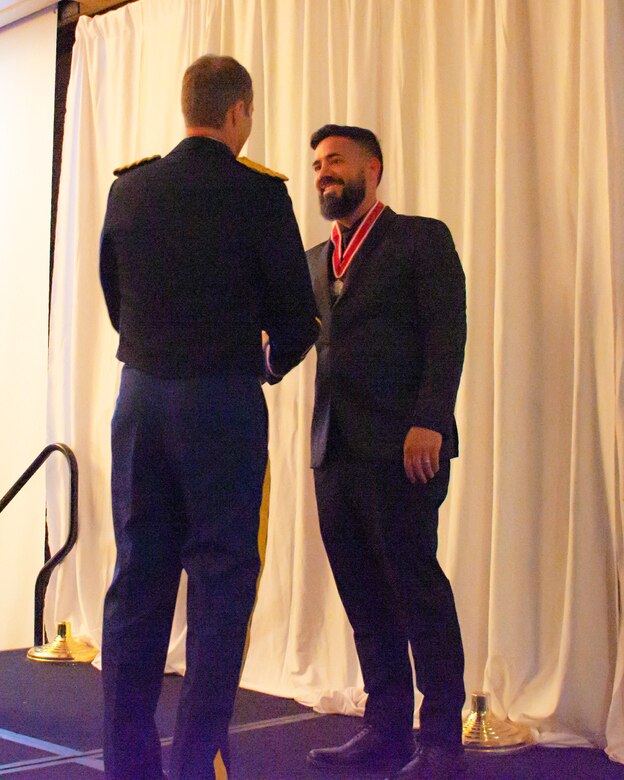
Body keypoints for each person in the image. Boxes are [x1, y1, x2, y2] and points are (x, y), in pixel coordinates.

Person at [99, 54, 318, 780]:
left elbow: (113, 295)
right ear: (239, 113)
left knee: (139, 581)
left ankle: (131, 768)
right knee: (222, 583)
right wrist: (261, 364)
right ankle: (199, 767)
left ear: (186, 106)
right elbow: (296, 316)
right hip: (219, 405)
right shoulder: (259, 195)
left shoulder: (129, 189)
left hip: (139, 400)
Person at [305, 125, 467, 780]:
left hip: (404, 447)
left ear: (373, 167)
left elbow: (446, 332)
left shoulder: (420, 238)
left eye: (335, 160)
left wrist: (430, 419)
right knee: (363, 595)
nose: (323, 173)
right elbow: (297, 339)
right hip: (333, 449)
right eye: (316, 164)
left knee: (415, 589)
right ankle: (386, 729)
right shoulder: (317, 256)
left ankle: (442, 741)